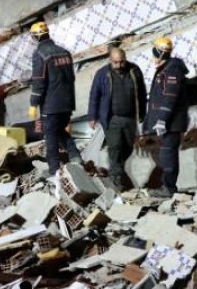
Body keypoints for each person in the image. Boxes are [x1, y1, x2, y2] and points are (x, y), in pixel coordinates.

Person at [87, 46, 146, 189]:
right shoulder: (102, 74)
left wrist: (143, 114)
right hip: (111, 118)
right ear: (110, 60)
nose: (119, 65)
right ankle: (116, 180)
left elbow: (142, 93)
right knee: (115, 147)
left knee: (127, 147)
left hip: (130, 117)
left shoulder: (134, 70)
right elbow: (94, 95)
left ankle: (118, 172)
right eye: (116, 62)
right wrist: (92, 116)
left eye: (122, 62)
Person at [28, 21, 82, 175]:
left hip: (50, 105)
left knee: (50, 137)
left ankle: (54, 172)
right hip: (67, 103)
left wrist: (33, 103)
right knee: (59, 131)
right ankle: (75, 156)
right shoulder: (64, 52)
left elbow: (39, 81)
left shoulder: (39, 54)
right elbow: (71, 78)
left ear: (35, 36)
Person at [143, 36, 189, 198]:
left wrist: (162, 120)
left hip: (171, 122)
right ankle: (167, 186)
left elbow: (170, 96)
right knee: (166, 154)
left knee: (168, 154)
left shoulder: (172, 70)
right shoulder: (166, 68)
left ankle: (168, 188)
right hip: (168, 122)